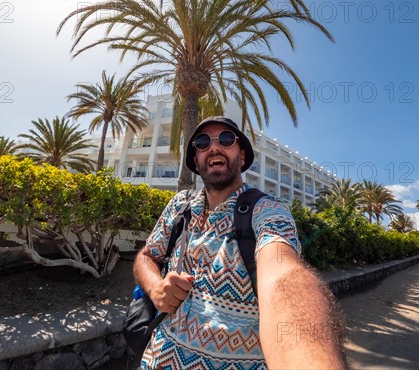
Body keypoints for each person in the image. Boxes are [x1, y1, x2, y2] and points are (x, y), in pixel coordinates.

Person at [133, 116, 345, 369]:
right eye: (202, 142)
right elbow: (146, 256)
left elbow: (283, 277)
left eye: (225, 139)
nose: (213, 147)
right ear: (196, 161)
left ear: (242, 157)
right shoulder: (180, 206)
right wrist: (156, 288)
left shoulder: (267, 210)